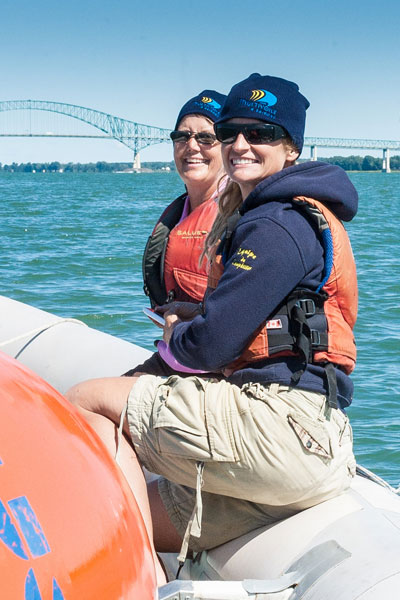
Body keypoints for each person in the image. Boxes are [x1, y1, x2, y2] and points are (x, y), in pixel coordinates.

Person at [66, 73, 358, 585]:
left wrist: (179, 327)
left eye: (262, 133)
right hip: (311, 445)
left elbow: (210, 347)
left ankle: (132, 586)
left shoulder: (274, 224)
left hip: (278, 428)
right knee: (146, 516)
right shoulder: (294, 217)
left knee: (88, 398)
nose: (241, 144)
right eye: (232, 132)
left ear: (290, 147)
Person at [123, 89, 226, 378]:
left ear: (227, 146)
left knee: (87, 399)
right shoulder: (180, 212)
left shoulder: (240, 216)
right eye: (182, 136)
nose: (191, 146)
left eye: (206, 137)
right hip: (175, 358)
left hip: (217, 371)